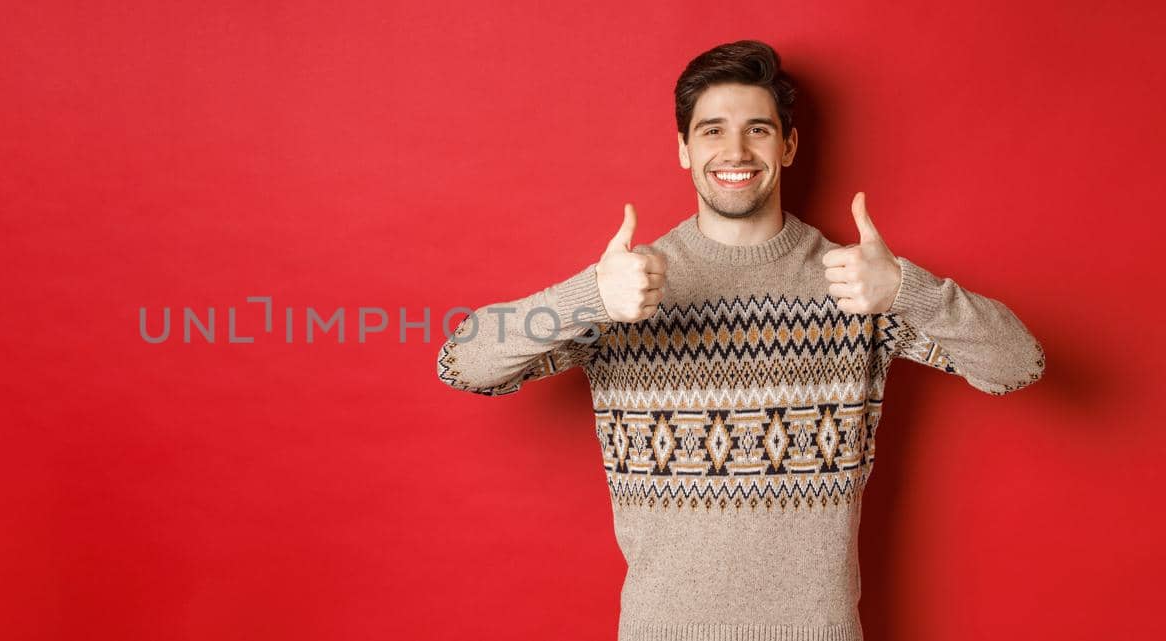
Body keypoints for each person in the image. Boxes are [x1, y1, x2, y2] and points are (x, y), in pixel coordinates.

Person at [433, 39, 1043, 641]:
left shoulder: (857, 284)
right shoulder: (626, 288)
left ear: (788, 145)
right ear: (682, 149)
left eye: (757, 128)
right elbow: (462, 363)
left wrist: (911, 290)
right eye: (711, 130)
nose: (735, 150)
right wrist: (587, 297)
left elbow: (1019, 364)